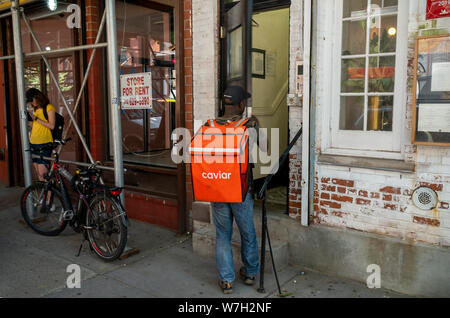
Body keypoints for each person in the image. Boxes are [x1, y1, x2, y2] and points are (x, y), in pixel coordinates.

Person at [207, 85, 264, 294]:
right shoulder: (248, 125)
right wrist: (258, 125)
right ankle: (250, 273)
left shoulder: (209, 125)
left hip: (217, 188)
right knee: (247, 232)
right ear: (240, 104)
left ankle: (227, 280)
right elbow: (265, 148)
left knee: (223, 234)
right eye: (244, 102)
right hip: (241, 190)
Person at [26, 88, 56, 181]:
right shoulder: (35, 109)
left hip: (44, 143)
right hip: (33, 143)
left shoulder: (49, 107)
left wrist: (36, 119)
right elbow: (33, 125)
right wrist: (29, 118)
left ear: (37, 97)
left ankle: (49, 194)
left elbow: (52, 126)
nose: (31, 103)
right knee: (39, 176)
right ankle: (45, 195)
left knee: (44, 176)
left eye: (32, 100)